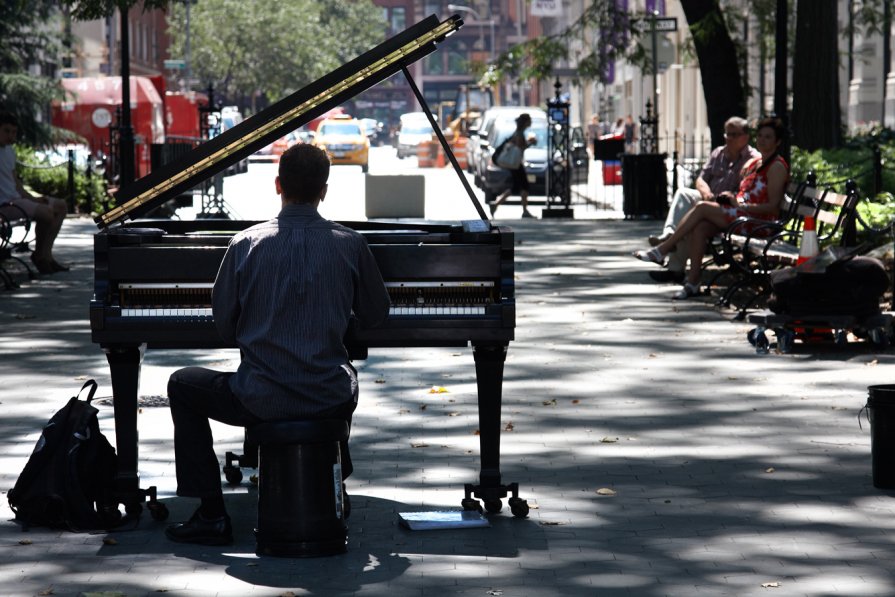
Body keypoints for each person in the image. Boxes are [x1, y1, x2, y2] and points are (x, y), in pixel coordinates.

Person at [164, 143, 391, 545]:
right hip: (329, 397)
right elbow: (375, 315)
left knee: (183, 385)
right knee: (342, 375)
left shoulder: (245, 244)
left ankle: (211, 513)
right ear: (324, 190)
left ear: (277, 185)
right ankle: (333, 487)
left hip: (258, 398)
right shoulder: (351, 243)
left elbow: (225, 328)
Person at [632, 116, 789, 300]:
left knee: (702, 208)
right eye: (760, 135)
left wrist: (740, 204)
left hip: (757, 223)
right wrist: (733, 199)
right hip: (740, 215)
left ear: (777, 141)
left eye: (768, 137)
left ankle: (663, 249)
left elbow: (773, 207)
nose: (762, 140)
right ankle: (693, 283)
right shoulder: (756, 163)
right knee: (700, 227)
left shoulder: (776, 166)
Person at [646, 116, 759, 283]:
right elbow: (701, 179)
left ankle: (673, 262)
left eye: (734, 134)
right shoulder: (718, 153)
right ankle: (669, 235)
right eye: (727, 134)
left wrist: (729, 197)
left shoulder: (753, 159)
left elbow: (748, 191)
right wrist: (706, 192)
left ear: (745, 137)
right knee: (684, 194)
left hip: (729, 207)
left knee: (694, 219)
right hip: (708, 198)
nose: (729, 138)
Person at [0, 112, 69, 274]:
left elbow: (16, 184)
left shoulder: (9, 151)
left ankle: (46, 255)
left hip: (16, 200)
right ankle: (40, 256)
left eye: (14, 132)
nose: (11, 136)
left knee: (60, 205)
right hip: (5, 205)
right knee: (47, 213)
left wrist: (34, 199)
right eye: (6, 131)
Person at [489, 113, 536, 219]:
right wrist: (531, 142)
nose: (530, 122)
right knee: (524, 185)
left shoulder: (518, 132)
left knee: (516, 187)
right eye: (529, 120)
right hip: (516, 165)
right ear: (525, 122)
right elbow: (521, 147)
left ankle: (496, 204)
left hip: (516, 164)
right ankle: (524, 211)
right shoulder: (519, 133)